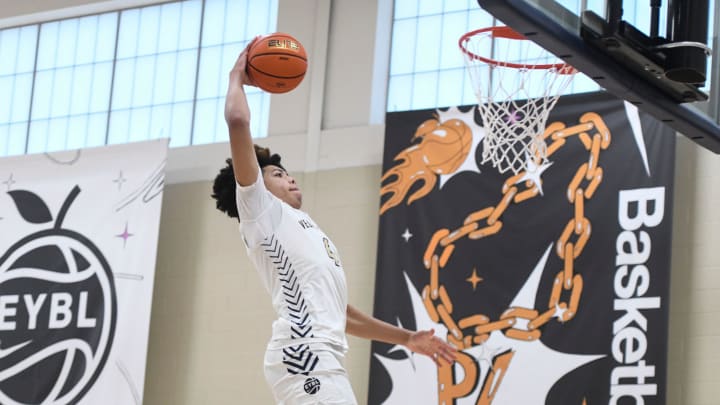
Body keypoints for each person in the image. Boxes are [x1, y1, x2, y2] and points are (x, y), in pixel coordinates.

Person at [211, 37, 456, 405]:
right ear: (260, 185)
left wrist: (406, 339)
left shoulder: (307, 230)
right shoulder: (260, 211)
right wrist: (236, 76)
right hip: (303, 355)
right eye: (278, 174)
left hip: (320, 357)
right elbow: (237, 120)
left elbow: (342, 315)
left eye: (287, 172)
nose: (290, 177)